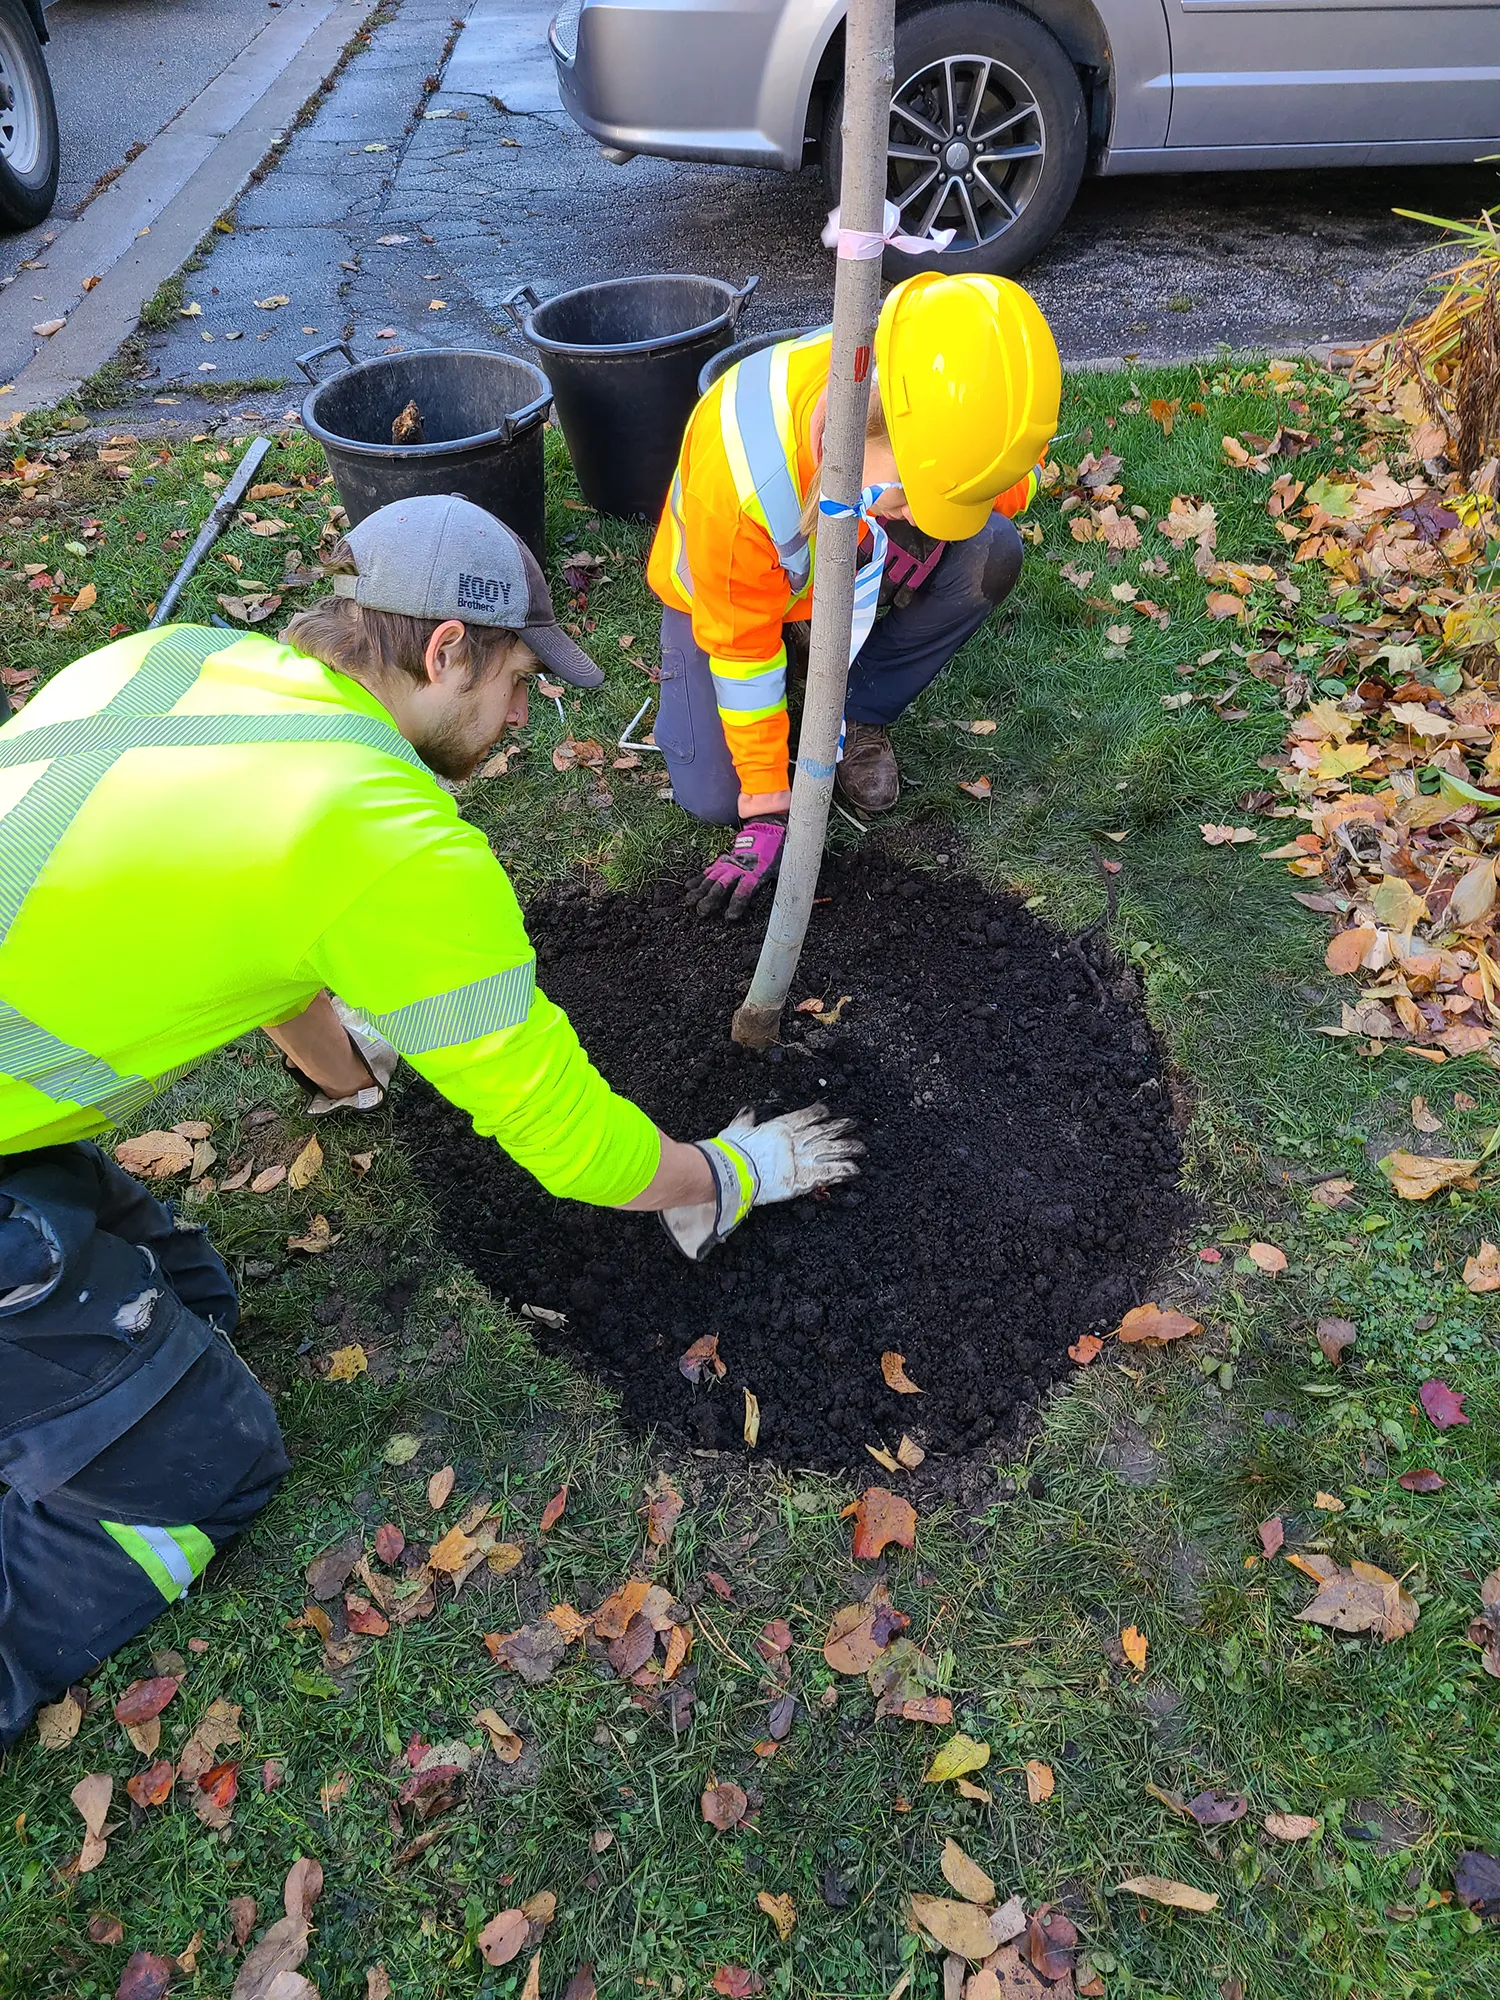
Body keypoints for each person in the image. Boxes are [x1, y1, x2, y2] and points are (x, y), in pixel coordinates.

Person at [0, 494, 859, 1744]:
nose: (520, 722)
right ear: (445, 648)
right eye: (516, 683)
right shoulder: (387, 840)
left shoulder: (180, 659)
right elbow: (567, 1138)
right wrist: (716, 1176)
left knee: (189, 1294)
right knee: (207, 1456)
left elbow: (269, 949)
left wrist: (348, 1074)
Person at [647, 269, 1061, 919]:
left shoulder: (949, 411)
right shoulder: (743, 477)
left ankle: (857, 708)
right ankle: (798, 676)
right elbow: (743, 652)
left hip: (839, 556)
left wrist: (953, 501)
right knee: (715, 800)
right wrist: (764, 804)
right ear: (865, 436)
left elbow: (1002, 488)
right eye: (915, 498)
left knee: (990, 551)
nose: (922, 515)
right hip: (730, 596)